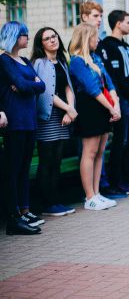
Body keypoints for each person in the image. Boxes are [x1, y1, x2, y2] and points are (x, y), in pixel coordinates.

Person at [0, 21, 46, 234]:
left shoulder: (25, 60)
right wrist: (31, 83)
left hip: (29, 120)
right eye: (24, 34)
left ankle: (24, 210)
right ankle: (13, 217)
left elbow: (41, 85)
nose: (27, 38)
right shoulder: (4, 60)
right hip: (15, 120)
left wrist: (31, 84)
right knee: (14, 169)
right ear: (13, 37)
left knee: (24, 168)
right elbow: (24, 84)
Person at [69, 22, 121, 211]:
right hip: (90, 107)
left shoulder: (96, 57)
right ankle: (89, 196)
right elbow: (92, 88)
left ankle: (97, 193)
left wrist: (116, 106)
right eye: (95, 36)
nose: (98, 40)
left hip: (104, 107)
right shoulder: (76, 61)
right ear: (86, 38)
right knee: (89, 152)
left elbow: (109, 83)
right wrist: (112, 108)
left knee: (100, 153)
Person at [31, 27, 77, 217]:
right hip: (47, 118)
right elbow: (45, 92)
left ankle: (56, 201)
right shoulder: (39, 63)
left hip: (62, 119)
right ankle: (47, 203)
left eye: (54, 36)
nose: (52, 40)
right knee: (47, 162)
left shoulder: (61, 62)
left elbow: (68, 88)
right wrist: (68, 108)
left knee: (56, 161)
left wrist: (70, 110)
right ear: (41, 44)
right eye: (47, 38)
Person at [96, 10, 129, 195]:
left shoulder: (128, 47)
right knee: (120, 141)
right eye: (128, 22)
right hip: (122, 100)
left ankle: (128, 178)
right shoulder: (108, 46)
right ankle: (117, 180)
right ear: (118, 24)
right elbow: (115, 77)